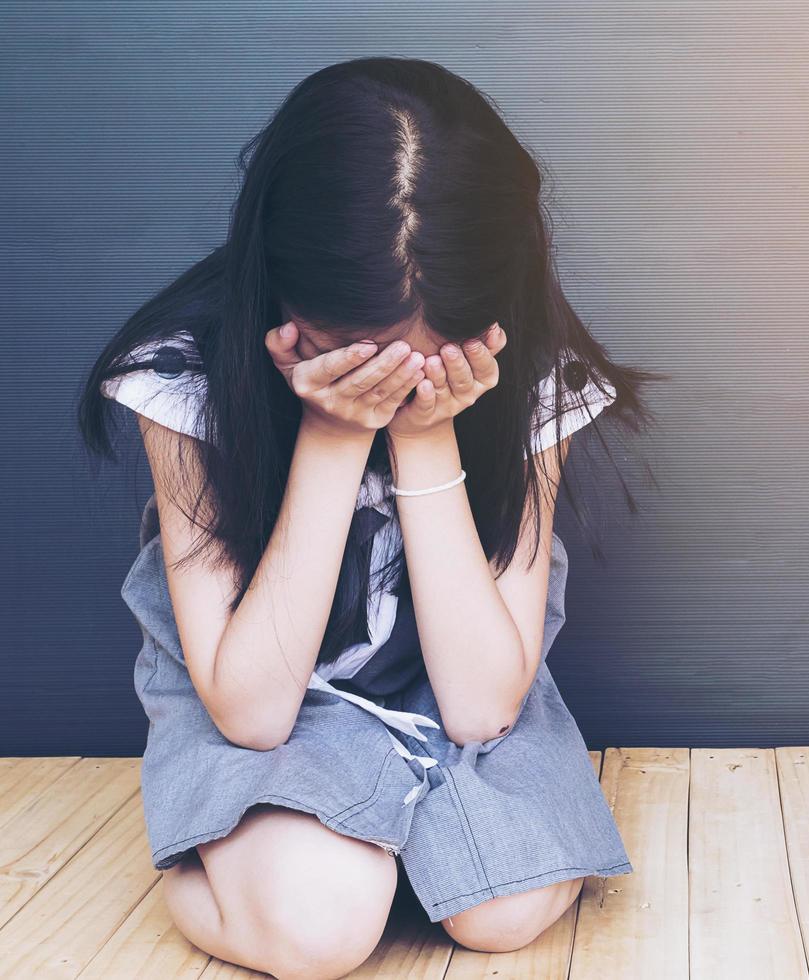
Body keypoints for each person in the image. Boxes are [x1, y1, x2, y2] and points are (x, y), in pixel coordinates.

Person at [75, 56, 662, 979]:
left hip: (453, 701)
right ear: (283, 287)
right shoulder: (185, 378)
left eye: (430, 362)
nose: (395, 384)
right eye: (359, 359)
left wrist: (429, 441)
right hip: (271, 701)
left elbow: (479, 709)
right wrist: (330, 434)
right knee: (318, 932)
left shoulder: (532, 382)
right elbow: (253, 713)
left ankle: (384, 844)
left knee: (506, 914)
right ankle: (224, 858)